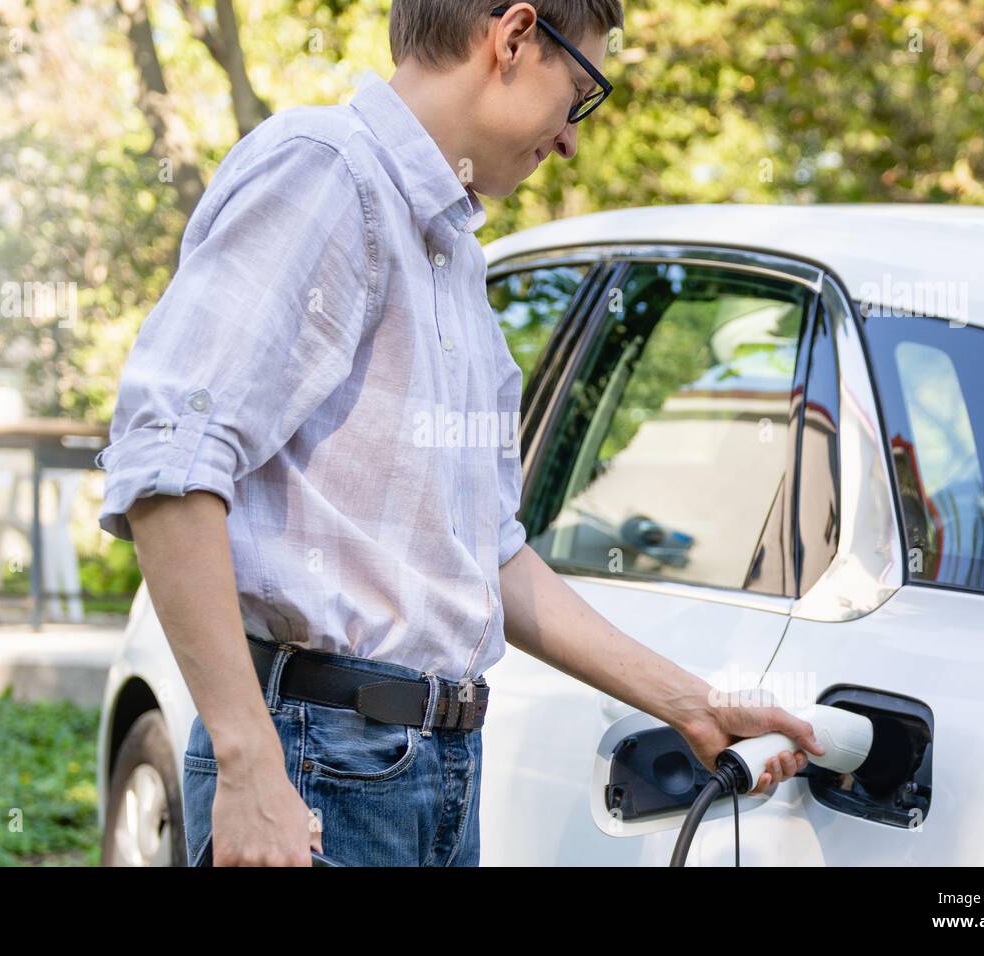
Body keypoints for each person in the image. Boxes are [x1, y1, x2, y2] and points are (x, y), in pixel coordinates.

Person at [96, 0, 824, 867]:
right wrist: (252, 766)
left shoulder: (451, 253)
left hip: (431, 772)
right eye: (581, 92)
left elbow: (489, 555)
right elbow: (169, 462)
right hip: (319, 765)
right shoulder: (325, 175)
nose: (570, 140)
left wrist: (693, 706)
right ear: (515, 37)